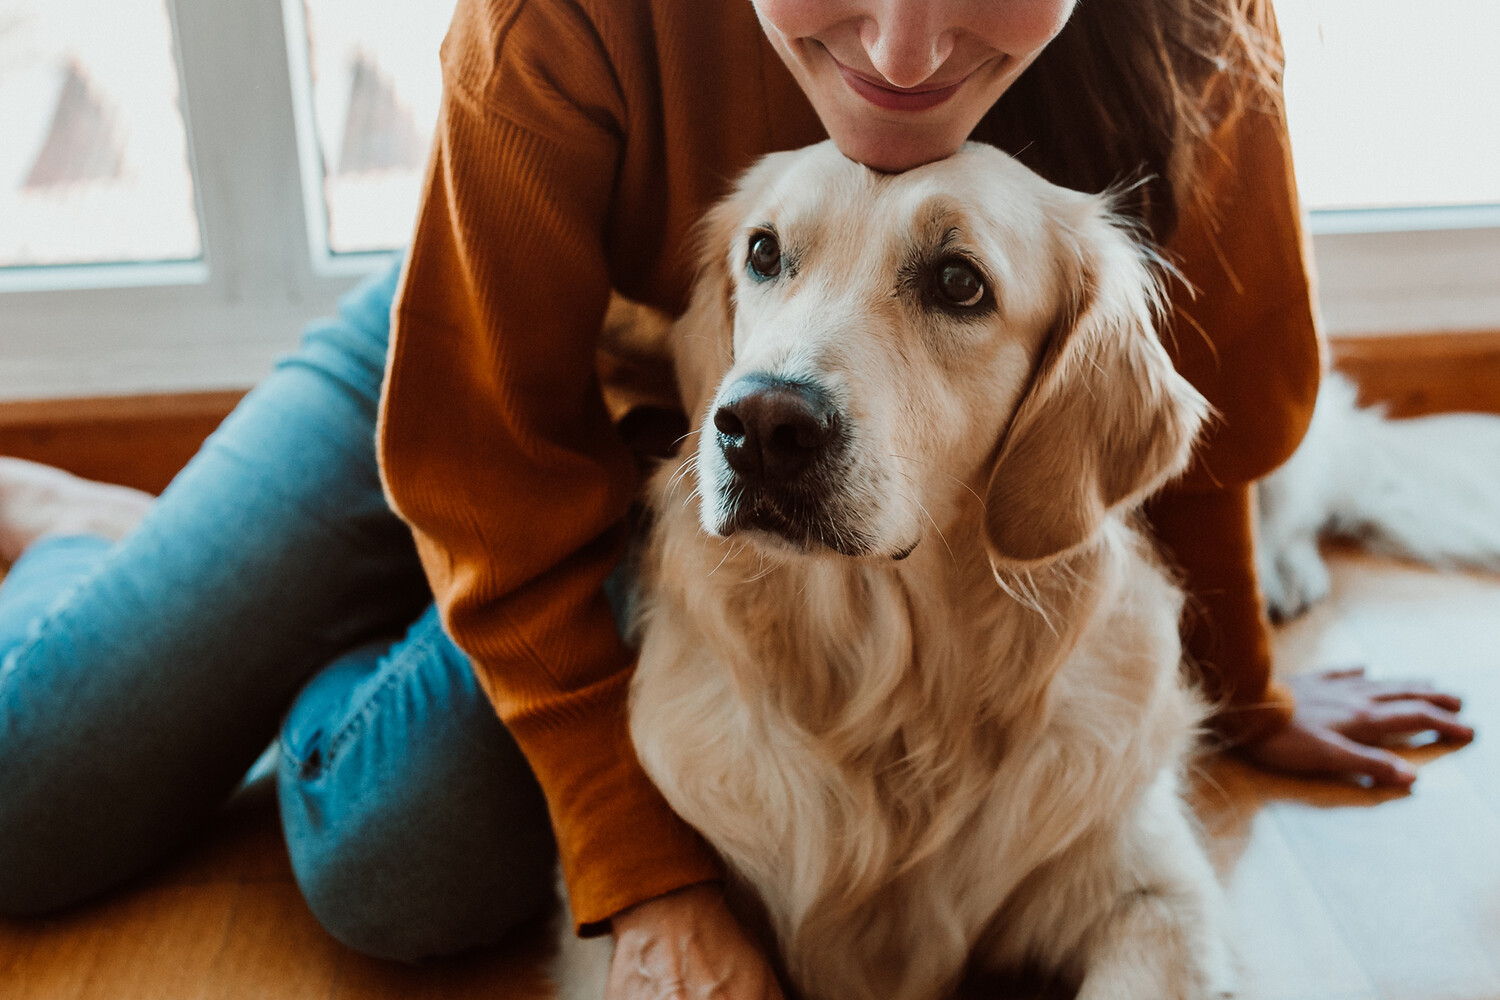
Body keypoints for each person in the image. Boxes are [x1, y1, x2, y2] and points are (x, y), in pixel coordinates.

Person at [0, 0, 1473, 993]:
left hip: (715, 447)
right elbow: (484, 458)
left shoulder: (1192, 33)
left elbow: (1197, 400)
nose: (904, 48)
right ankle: (102, 538)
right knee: (32, 800)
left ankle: (267, 605)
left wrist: (1247, 686)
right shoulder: (555, 20)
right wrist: (646, 878)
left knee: (398, 865)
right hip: (482, 375)